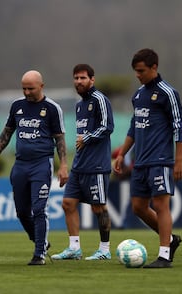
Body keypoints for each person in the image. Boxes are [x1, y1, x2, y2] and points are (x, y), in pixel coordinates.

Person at [113, 48, 182, 268]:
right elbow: (134, 127)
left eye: (141, 70)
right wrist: (122, 154)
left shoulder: (168, 93)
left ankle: (164, 255)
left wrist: (179, 160)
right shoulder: (138, 95)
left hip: (161, 160)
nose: (138, 74)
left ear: (154, 68)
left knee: (161, 205)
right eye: (135, 71)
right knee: (138, 207)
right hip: (139, 161)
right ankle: (170, 240)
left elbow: (179, 126)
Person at [0, 70, 68, 265]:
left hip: (41, 164)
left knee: (39, 209)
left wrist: (64, 165)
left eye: (30, 88)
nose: (26, 92)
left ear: (41, 86)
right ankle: (41, 241)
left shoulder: (52, 108)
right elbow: (7, 133)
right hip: (21, 165)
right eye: (23, 88)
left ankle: (39, 253)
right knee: (22, 212)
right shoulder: (17, 106)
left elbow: (59, 139)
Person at [51, 64, 113, 261]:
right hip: (80, 165)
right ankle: (74, 248)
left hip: (97, 165)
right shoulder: (79, 105)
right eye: (76, 78)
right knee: (68, 203)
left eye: (83, 78)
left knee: (98, 207)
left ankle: (104, 249)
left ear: (92, 80)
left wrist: (87, 139)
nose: (79, 81)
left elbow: (107, 127)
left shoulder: (100, 100)